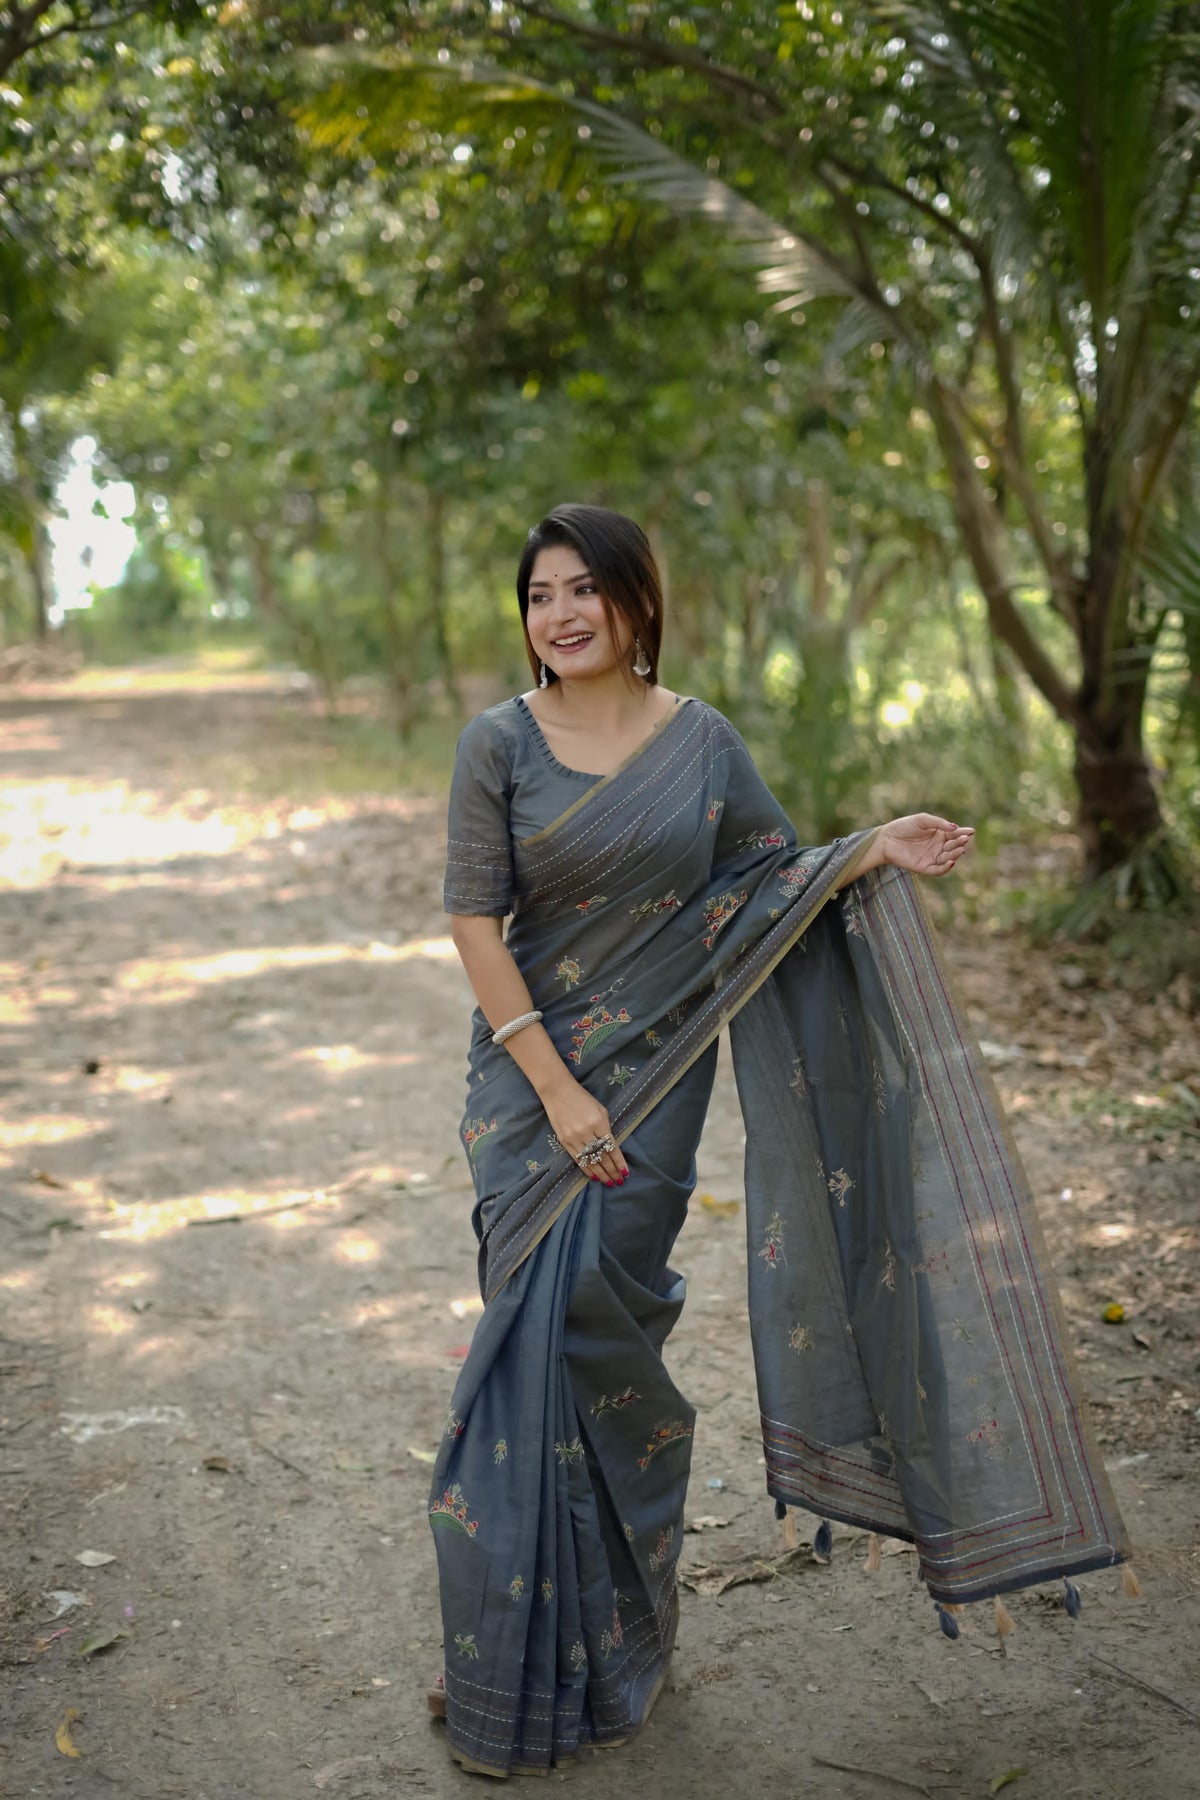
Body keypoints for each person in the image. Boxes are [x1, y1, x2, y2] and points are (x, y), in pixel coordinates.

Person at [428, 503, 1131, 1778]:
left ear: (637, 602)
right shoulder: (498, 746)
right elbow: (476, 922)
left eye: (586, 589)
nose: (562, 614)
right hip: (534, 1095)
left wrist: (868, 851)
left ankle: (614, 1646)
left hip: (661, 1082)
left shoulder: (701, 744)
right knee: (522, 1357)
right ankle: (501, 1664)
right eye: (540, 597)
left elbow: (760, 885)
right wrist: (558, 1090)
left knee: (608, 1347)